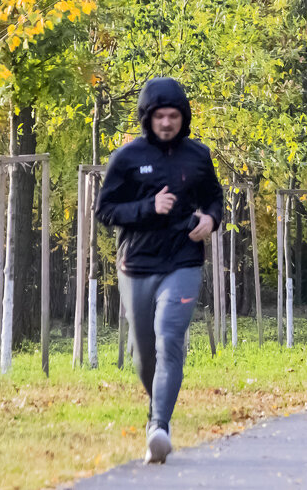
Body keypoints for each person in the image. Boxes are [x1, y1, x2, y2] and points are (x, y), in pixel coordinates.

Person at [96, 77, 223, 465]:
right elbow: (104, 210)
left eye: (174, 116)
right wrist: (148, 208)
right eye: (160, 116)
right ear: (147, 118)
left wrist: (212, 220)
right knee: (145, 354)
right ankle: (157, 408)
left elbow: (214, 197)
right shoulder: (127, 158)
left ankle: (159, 427)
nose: (167, 123)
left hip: (183, 260)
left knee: (169, 339)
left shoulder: (198, 156)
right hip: (136, 265)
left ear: (183, 118)